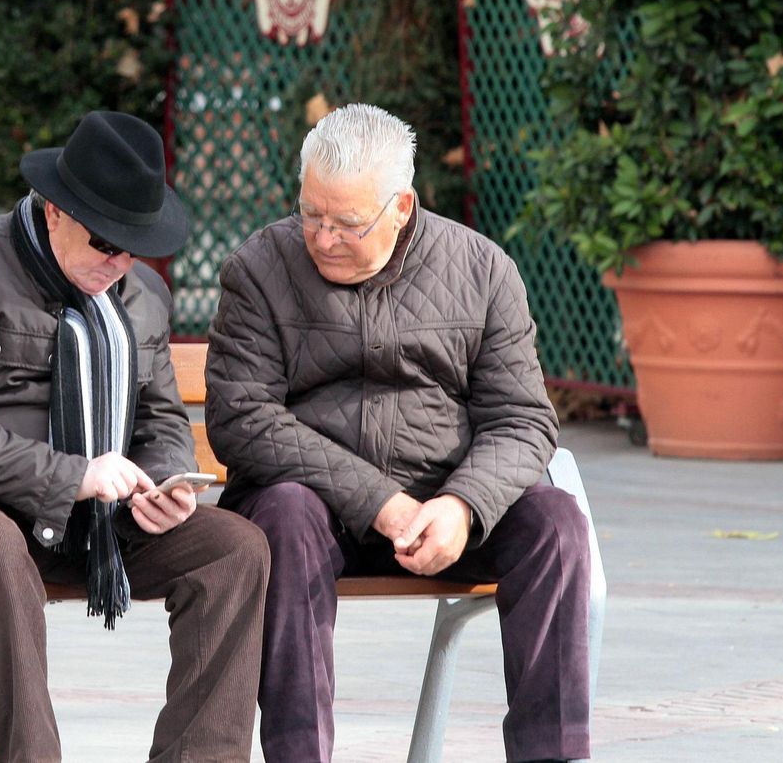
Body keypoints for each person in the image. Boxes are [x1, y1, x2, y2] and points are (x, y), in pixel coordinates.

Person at [0, 111, 270, 763]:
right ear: (52, 211)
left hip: (87, 517)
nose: (119, 262)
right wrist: (71, 476)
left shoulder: (140, 295)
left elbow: (159, 417)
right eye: (105, 242)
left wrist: (163, 479)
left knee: (235, 549)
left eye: (136, 246)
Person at [205, 103, 590, 763]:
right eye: (311, 214)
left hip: (444, 507)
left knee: (555, 521)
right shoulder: (259, 269)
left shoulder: (484, 269)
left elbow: (523, 421)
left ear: (402, 206)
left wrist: (463, 508)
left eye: (347, 223)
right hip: (314, 514)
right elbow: (242, 418)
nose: (323, 238)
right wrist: (377, 501)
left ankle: (551, 756)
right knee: (285, 515)